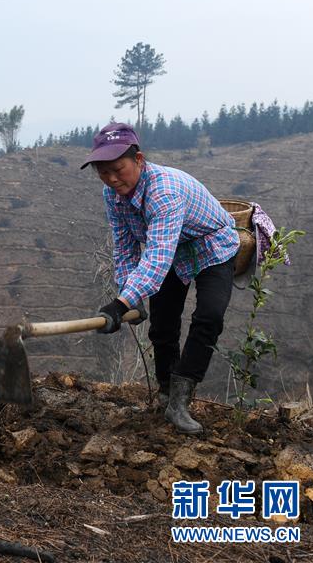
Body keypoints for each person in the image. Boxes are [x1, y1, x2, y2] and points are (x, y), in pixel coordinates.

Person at [81, 123, 239, 435]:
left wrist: (119, 303)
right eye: (103, 172)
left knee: (209, 317)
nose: (112, 179)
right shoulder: (112, 195)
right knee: (163, 326)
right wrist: (130, 297)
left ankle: (181, 400)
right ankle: (166, 394)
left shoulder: (164, 192)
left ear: (138, 160)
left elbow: (155, 256)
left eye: (117, 169)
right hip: (172, 251)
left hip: (212, 246)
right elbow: (125, 246)